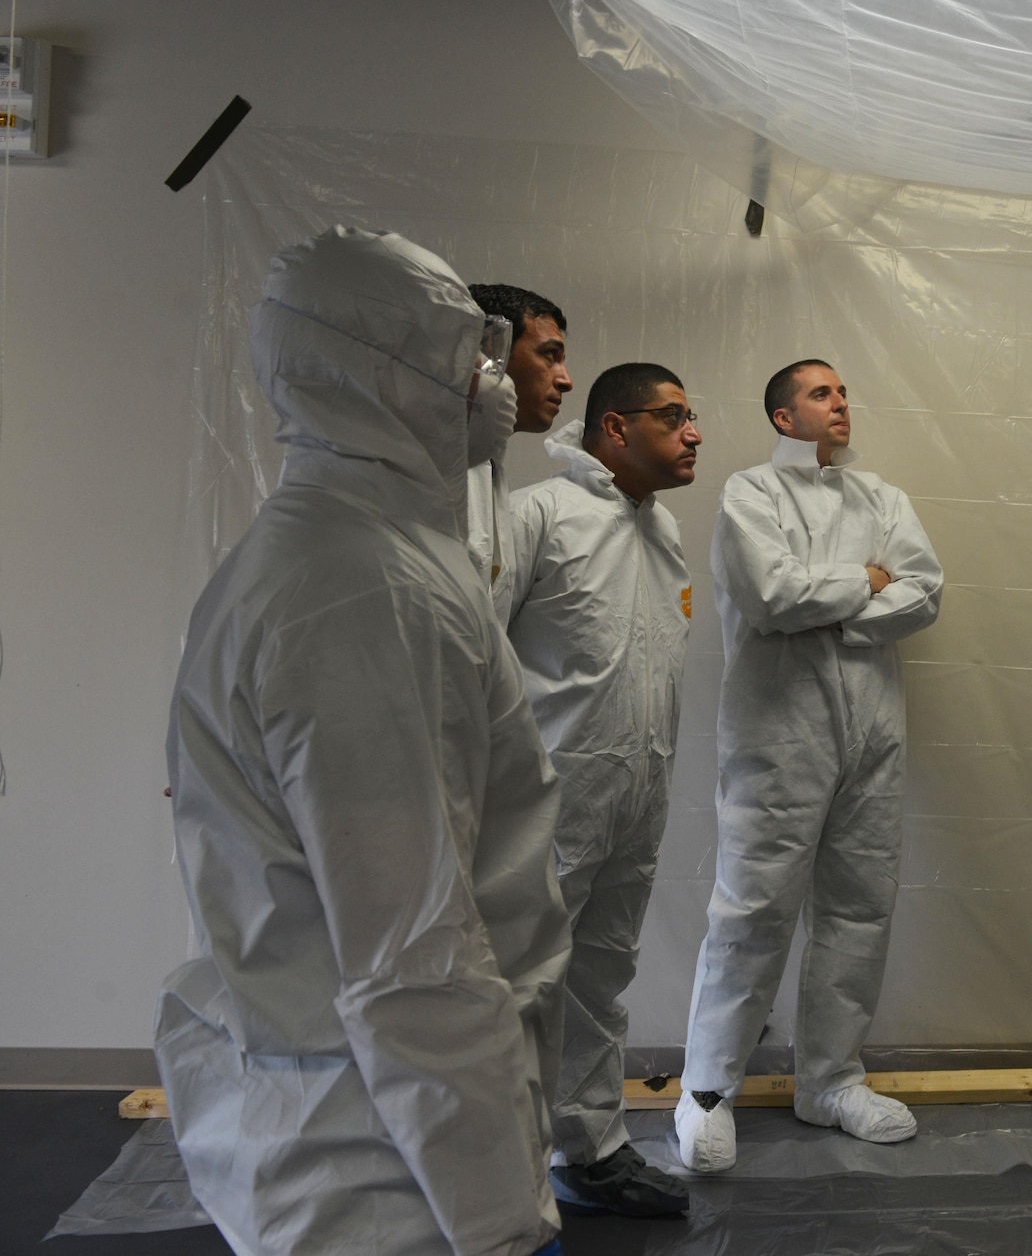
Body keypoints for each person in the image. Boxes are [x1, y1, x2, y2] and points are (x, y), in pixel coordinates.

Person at [155, 227, 570, 1256]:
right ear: (383, 372)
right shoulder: (364, 589)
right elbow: (412, 954)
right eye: (469, 357)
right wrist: (501, 1221)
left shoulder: (341, 551)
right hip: (388, 1174)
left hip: (358, 1127)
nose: (495, 381)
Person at [674, 358, 944, 1173]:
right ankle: (707, 1092)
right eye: (821, 393)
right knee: (752, 909)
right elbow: (768, 596)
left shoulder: (883, 499)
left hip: (871, 734)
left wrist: (831, 610)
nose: (840, 404)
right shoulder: (749, 495)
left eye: (843, 392)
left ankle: (828, 1080)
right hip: (778, 733)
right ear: (783, 416)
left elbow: (925, 591)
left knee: (860, 907)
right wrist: (863, 586)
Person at [505, 363, 702, 1216]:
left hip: (637, 789)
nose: (694, 432)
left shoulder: (665, 532)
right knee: (519, 982)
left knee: (600, 974)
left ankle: (590, 1150)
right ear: (614, 429)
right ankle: (498, 1174)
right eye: (674, 416)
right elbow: (468, 650)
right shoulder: (538, 515)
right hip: (548, 795)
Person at [465, 283, 574, 610]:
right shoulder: (428, 464)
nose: (566, 380)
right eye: (550, 356)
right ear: (488, 352)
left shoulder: (486, 463)